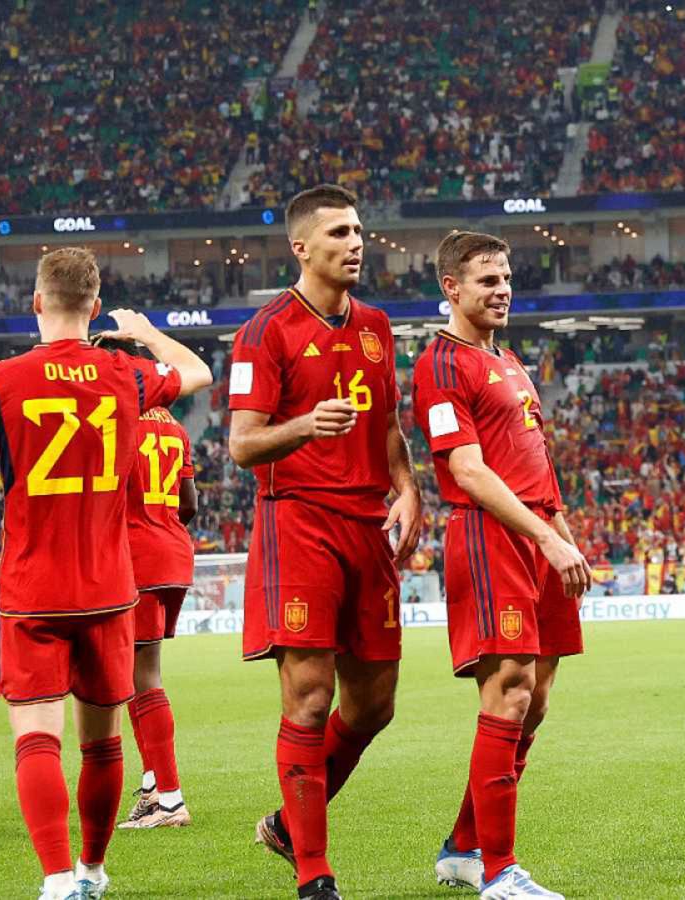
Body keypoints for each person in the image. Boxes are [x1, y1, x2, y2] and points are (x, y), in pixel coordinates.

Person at [0, 247, 212, 900]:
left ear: (35, 302)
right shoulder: (125, 374)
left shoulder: (0, 379)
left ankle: (57, 878)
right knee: (102, 742)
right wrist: (143, 334)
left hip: (34, 588)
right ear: (94, 306)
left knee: (36, 739)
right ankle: (92, 867)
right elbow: (195, 371)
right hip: (111, 589)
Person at [228, 184, 421, 900]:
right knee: (309, 700)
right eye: (339, 232)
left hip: (368, 528)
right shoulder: (265, 331)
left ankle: (286, 825)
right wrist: (307, 426)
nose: (356, 242)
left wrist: (408, 487)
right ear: (302, 247)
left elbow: (389, 423)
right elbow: (242, 445)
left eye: (359, 229)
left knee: (373, 707)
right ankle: (315, 876)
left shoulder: (376, 324)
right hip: (298, 522)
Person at [413, 232, 590, 900]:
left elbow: (534, 457)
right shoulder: (441, 362)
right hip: (490, 537)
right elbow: (467, 468)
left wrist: (563, 533)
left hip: (542, 537)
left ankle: (463, 846)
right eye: (487, 279)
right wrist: (545, 539)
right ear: (451, 288)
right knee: (509, 687)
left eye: (507, 277)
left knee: (535, 701)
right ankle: (499, 871)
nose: (503, 289)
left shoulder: (510, 361)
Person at [95, 335, 200, 830]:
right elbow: (191, 503)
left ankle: (170, 799)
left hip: (133, 557)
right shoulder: (174, 425)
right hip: (173, 554)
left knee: (138, 680)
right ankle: (154, 786)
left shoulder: (114, 420)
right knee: (141, 674)